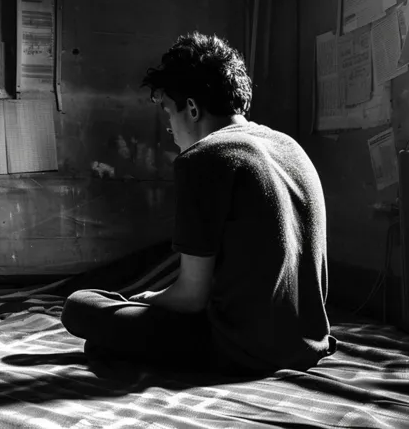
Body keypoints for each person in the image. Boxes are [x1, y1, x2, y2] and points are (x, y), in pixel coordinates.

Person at [61, 32, 336, 376]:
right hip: (306, 343)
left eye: (167, 112)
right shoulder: (290, 147)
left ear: (191, 108)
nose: (169, 128)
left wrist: (148, 301)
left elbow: (191, 297)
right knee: (113, 328)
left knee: (80, 306)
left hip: (240, 350)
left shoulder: (204, 158)